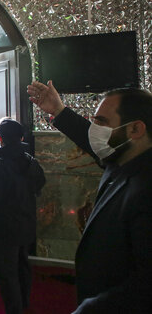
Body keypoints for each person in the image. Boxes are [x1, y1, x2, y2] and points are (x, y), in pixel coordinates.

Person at [27, 81, 152, 313]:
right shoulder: (121, 159)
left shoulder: (145, 188)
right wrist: (59, 111)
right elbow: (90, 139)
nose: (95, 130)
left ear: (136, 129)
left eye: (102, 123)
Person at [0, 118, 45, 314]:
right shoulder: (30, 160)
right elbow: (40, 184)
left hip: (5, 227)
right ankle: (24, 303)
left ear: (1, 139)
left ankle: (15, 309)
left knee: (7, 272)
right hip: (27, 222)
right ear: (21, 138)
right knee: (23, 264)